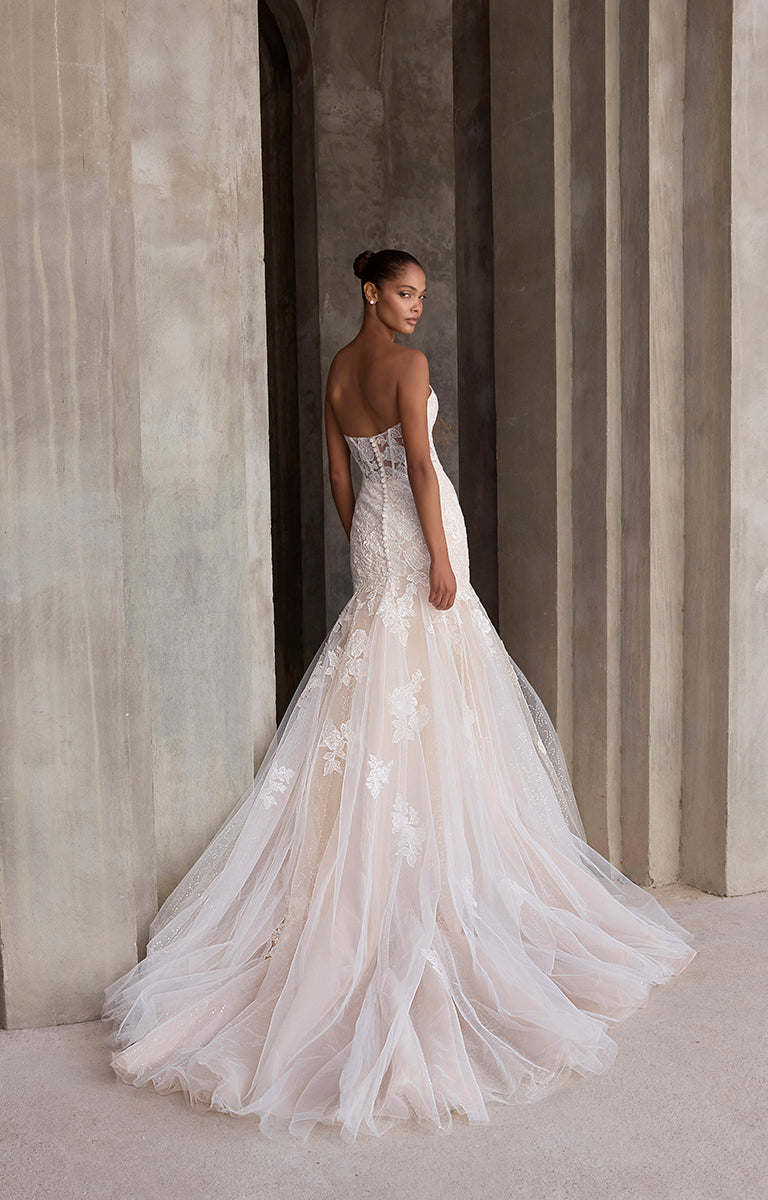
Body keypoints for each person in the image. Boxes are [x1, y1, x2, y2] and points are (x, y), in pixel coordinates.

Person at [103, 248, 696, 1144]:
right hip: (418, 540)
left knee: (377, 695)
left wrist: (370, 546)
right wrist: (443, 558)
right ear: (371, 292)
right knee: (436, 692)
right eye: (406, 293)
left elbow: (343, 479)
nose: (417, 308)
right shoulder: (407, 367)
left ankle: (387, 860)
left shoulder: (340, 371)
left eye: (423, 296)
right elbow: (421, 465)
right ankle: (430, 883)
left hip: (377, 546)